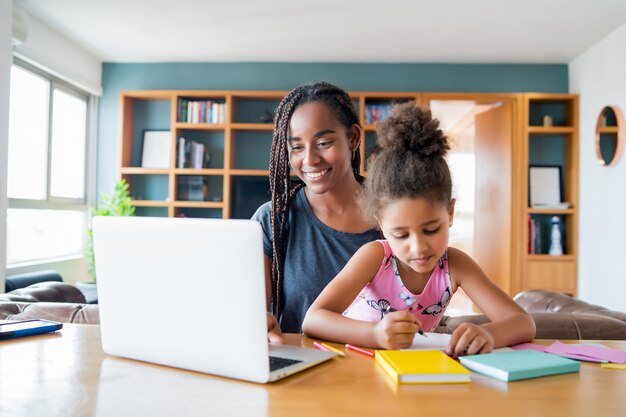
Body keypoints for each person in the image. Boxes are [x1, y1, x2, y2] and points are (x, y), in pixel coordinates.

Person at [302, 102, 536, 356]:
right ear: (381, 224)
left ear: (450, 213)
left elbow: (524, 323)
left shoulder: (455, 265)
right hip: (355, 371)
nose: (418, 247)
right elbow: (313, 320)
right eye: (401, 235)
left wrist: (488, 333)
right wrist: (375, 334)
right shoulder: (375, 258)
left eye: (431, 229)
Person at [252, 81, 381, 342]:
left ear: (353, 138)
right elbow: (249, 309)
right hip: (298, 372)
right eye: (297, 147)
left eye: (323, 142)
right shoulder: (272, 221)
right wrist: (257, 324)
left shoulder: (392, 215)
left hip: (379, 373)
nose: (309, 160)